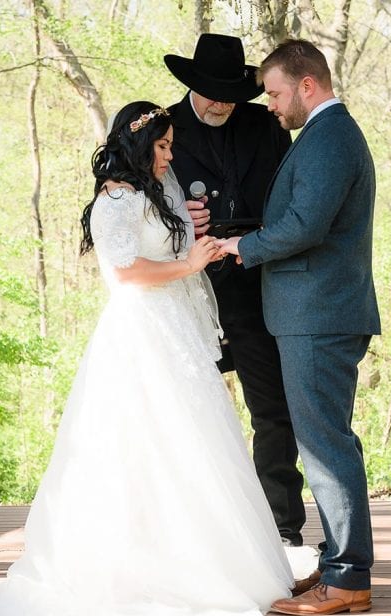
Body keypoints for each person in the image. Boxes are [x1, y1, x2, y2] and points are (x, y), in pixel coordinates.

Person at [0, 101, 294, 616]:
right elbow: (125, 273)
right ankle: (142, 566)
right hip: (141, 332)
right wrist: (188, 261)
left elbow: (169, 246)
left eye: (172, 146)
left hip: (175, 329)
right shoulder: (114, 200)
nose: (171, 156)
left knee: (195, 444)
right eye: (165, 146)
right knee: (144, 445)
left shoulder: (155, 187)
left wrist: (189, 230)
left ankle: (203, 558)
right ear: (138, 144)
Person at [217, 39, 381, 616]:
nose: (272, 104)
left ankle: (347, 578)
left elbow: (306, 224)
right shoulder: (320, 135)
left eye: (277, 92)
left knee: (325, 445)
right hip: (315, 313)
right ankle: (341, 566)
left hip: (320, 315)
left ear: (307, 84)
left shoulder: (331, 136)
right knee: (324, 441)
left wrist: (243, 245)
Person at [164, 34, 308, 552]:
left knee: (273, 408)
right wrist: (182, 221)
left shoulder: (265, 125)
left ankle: (281, 528)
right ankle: (190, 528)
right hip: (185, 291)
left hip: (254, 286)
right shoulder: (160, 129)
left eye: (231, 93)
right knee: (183, 411)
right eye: (211, 92)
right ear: (191, 85)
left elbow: (290, 199)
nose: (222, 102)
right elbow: (122, 204)